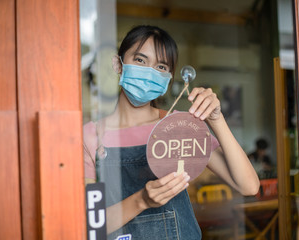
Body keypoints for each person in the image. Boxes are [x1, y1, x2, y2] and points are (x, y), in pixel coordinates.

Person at [83, 25, 260, 240]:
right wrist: (142, 201)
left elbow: (248, 185)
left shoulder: (179, 126)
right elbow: (90, 224)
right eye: (140, 60)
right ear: (117, 64)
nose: (150, 72)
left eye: (161, 66)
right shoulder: (91, 136)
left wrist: (216, 118)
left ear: (168, 78)